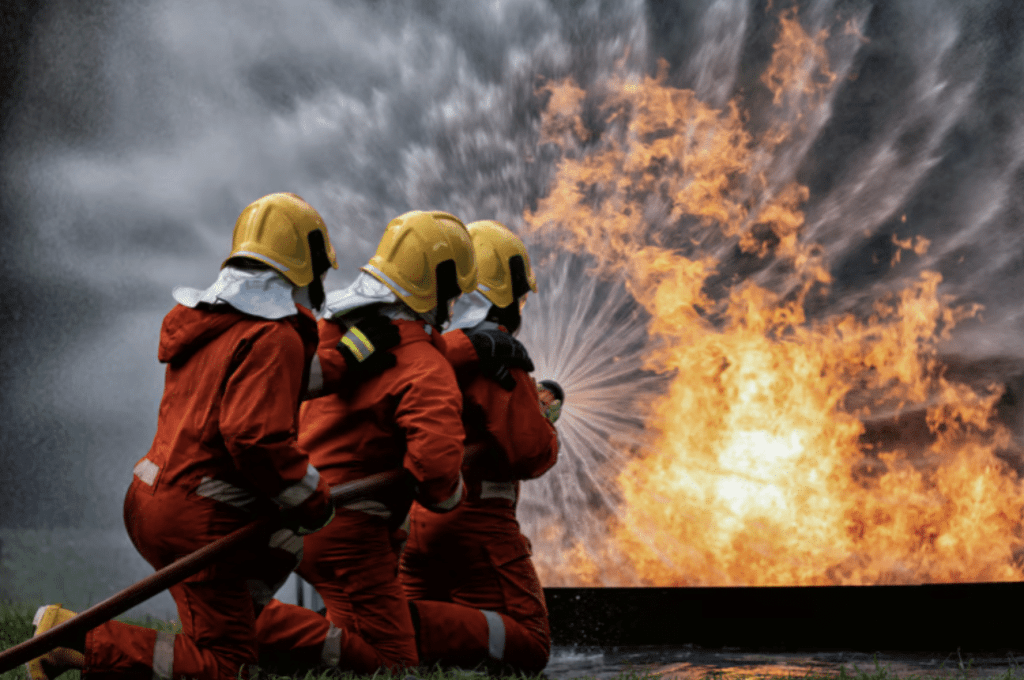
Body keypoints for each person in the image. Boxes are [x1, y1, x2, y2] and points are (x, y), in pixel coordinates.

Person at [24, 193, 371, 680]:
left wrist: (355, 350)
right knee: (228, 667)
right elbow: (254, 436)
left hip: (154, 498)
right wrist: (314, 496)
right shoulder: (274, 336)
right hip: (200, 516)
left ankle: (229, 628)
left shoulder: (217, 323)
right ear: (305, 265)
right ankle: (75, 639)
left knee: (262, 570)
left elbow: (286, 379)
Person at [254, 210, 477, 675]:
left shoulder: (331, 333)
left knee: (350, 636)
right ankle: (234, 624)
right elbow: (436, 478)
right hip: (352, 536)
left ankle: (231, 622)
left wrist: (473, 347)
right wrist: (456, 491)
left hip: (301, 514)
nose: (454, 303)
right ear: (436, 286)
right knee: (393, 666)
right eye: (453, 292)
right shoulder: (426, 370)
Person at [399, 219, 561, 674]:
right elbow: (529, 453)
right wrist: (546, 425)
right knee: (528, 643)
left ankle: (387, 624)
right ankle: (393, 622)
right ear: (507, 294)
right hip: (476, 527)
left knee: (424, 657)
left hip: (417, 525)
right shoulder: (496, 356)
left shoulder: (428, 348)